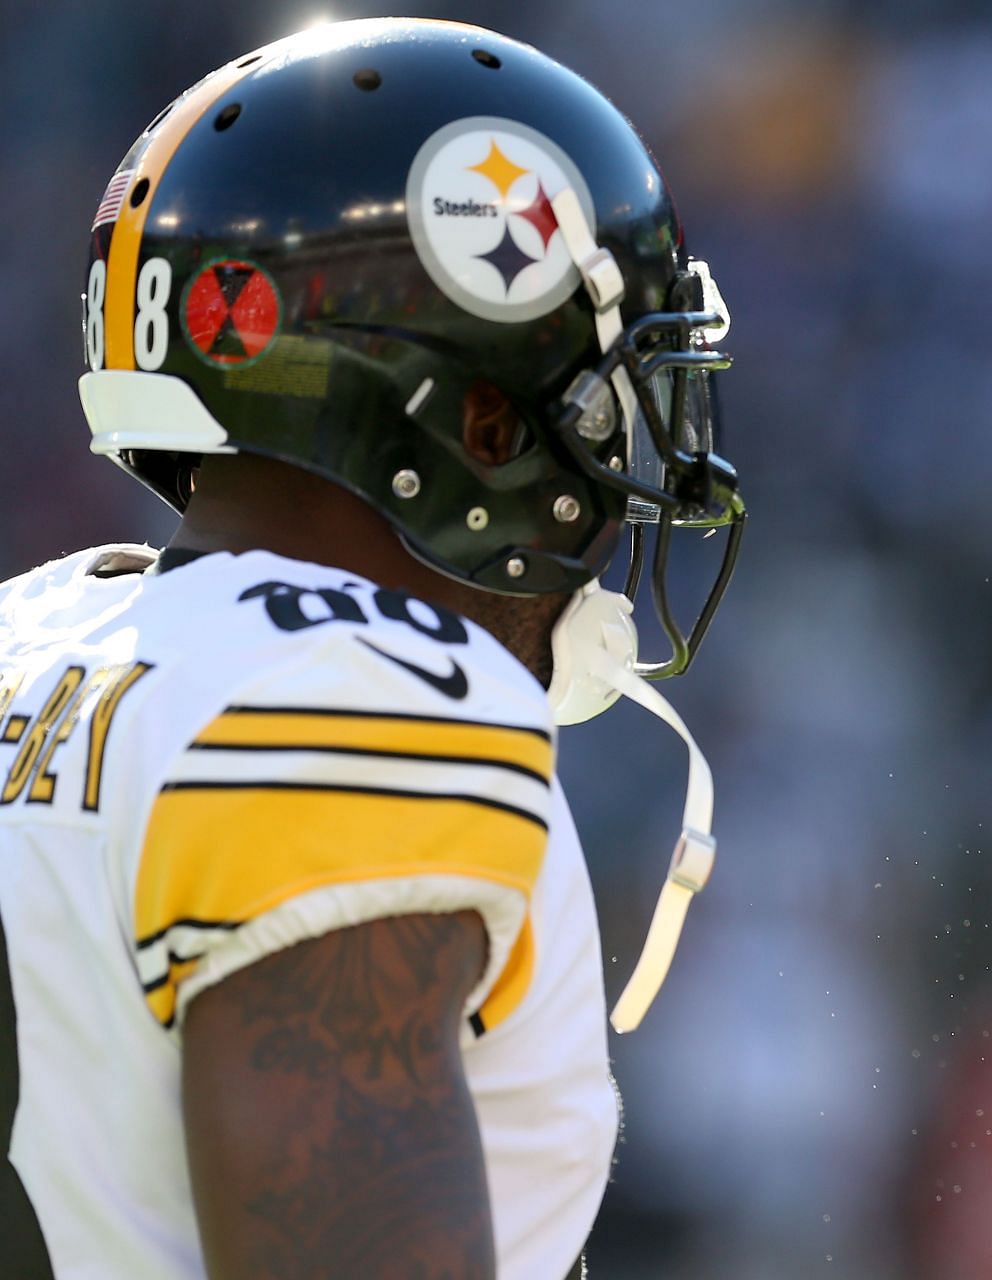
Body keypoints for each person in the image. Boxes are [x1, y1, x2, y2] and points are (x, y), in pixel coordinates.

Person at [0, 19, 743, 1277]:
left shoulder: (32, 633)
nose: (629, 486)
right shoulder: (365, 699)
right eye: (609, 408)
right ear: (487, 429)